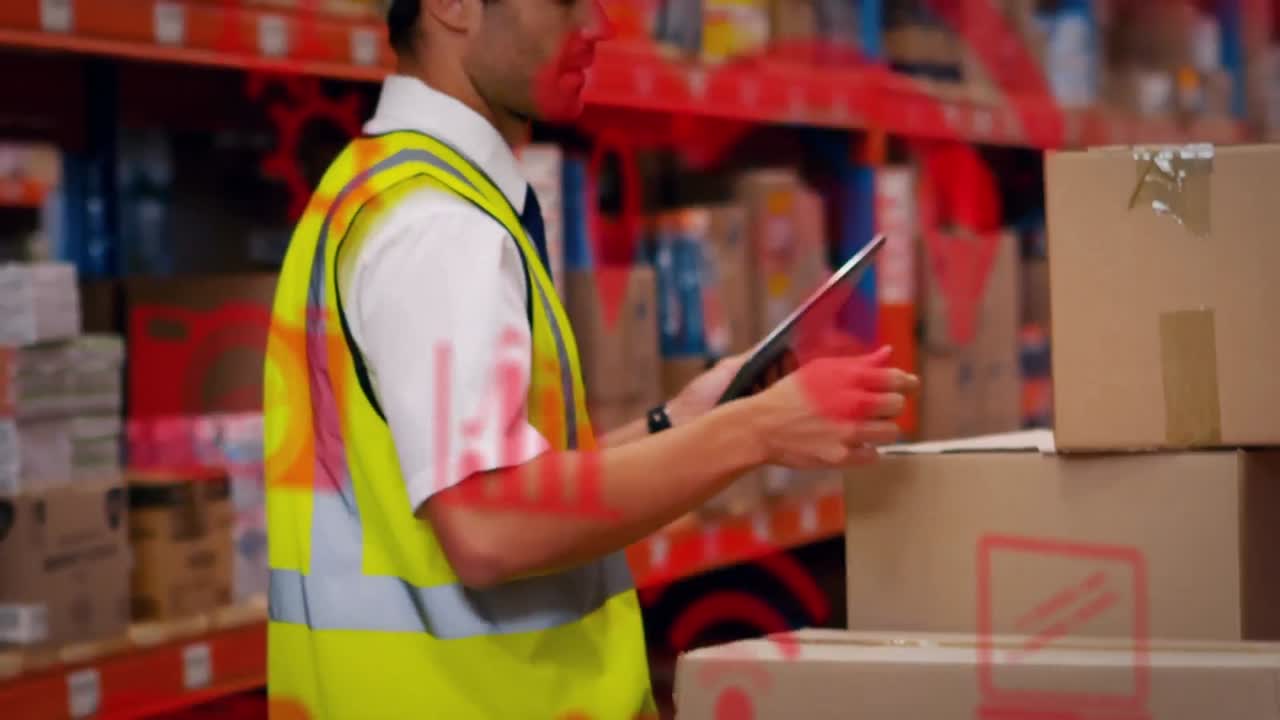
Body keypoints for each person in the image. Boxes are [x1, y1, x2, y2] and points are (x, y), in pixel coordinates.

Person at [261, 0, 918, 717]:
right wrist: (753, 433)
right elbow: (488, 528)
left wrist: (679, 422)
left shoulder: (378, 190)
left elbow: (503, 489)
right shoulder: (440, 230)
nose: (600, 25)